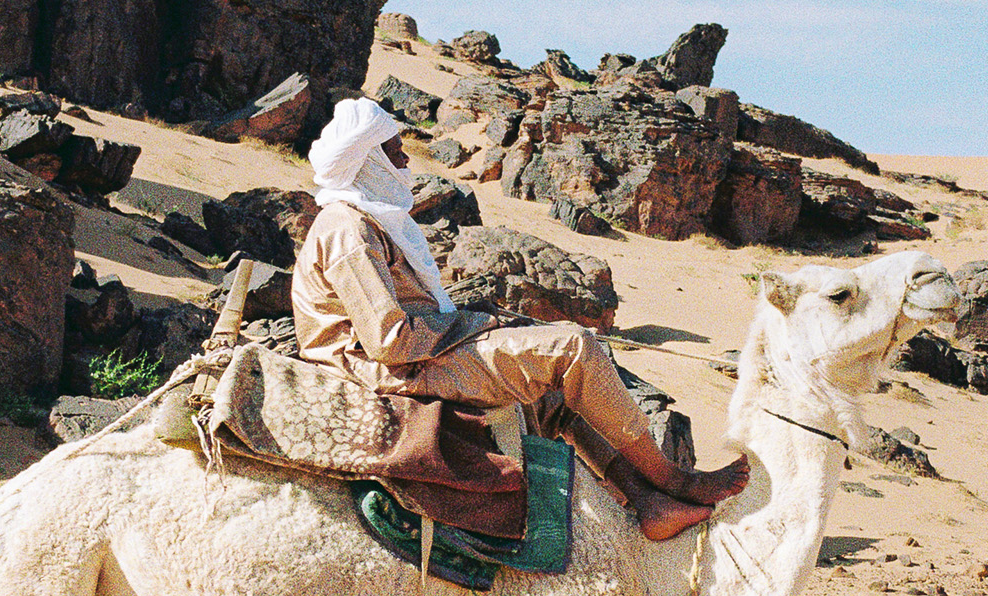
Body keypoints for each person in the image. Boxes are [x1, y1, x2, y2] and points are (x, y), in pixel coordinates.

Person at [290, 98, 749, 541]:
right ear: (370, 161)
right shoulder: (347, 228)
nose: (407, 157)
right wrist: (475, 325)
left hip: (411, 352)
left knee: (555, 389)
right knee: (572, 349)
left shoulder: (366, 221)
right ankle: (674, 478)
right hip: (377, 366)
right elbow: (388, 339)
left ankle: (646, 504)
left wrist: (475, 322)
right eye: (394, 150)